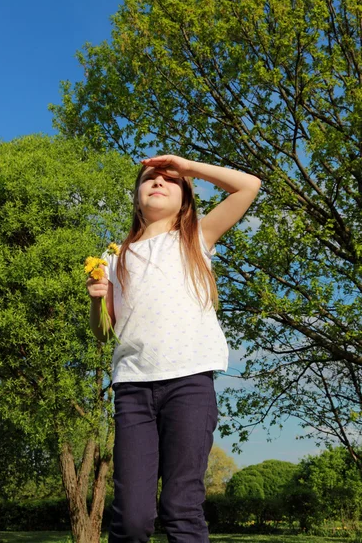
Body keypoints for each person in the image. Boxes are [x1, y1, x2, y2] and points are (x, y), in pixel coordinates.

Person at [86, 154, 261, 543]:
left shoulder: (196, 237)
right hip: (133, 389)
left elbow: (248, 185)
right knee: (130, 518)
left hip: (189, 386)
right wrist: (97, 298)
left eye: (171, 179)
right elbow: (104, 333)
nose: (159, 182)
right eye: (150, 177)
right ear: (136, 196)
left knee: (181, 508)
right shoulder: (115, 258)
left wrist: (187, 166)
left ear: (185, 197)